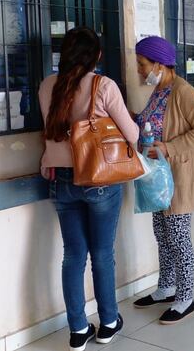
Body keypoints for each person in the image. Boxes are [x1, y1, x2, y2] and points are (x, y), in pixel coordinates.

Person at [39, 27, 139, 351]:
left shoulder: (47, 86)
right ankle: (108, 322)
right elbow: (132, 135)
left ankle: (78, 330)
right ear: (96, 55)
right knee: (102, 254)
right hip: (98, 180)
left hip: (60, 180)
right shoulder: (103, 85)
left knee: (73, 255)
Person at [131, 36, 194, 324]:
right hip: (157, 179)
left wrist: (170, 147)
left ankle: (186, 297)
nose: (140, 71)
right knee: (162, 234)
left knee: (178, 238)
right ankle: (166, 288)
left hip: (178, 177)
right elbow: (151, 123)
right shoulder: (158, 90)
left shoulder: (184, 92)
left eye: (142, 65)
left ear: (159, 63)